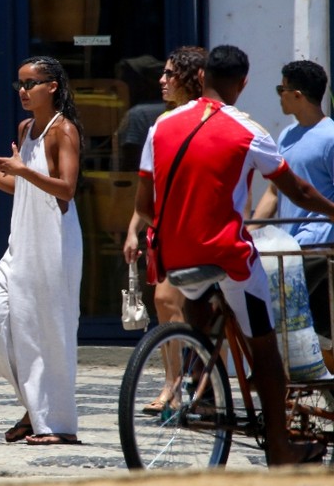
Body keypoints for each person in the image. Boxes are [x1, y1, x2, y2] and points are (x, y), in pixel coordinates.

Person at [135, 44, 332, 465]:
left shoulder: (161, 126)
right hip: (228, 256)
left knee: (203, 322)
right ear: (243, 83)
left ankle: (205, 394)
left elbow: (146, 205)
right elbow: (296, 191)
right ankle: (281, 447)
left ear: (202, 76)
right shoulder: (249, 130)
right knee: (265, 349)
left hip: (176, 257)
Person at [0, 56, 83, 446]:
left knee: (50, 334)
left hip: (54, 244)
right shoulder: (27, 128)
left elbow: (66, 189)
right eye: (19, 85)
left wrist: (21, 170)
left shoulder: (64, 132)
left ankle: (56, 425)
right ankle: (34, 406)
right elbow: (19, 186)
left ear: (52, 87)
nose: (23, 92)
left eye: (31, 84)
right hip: (21, 241)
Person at [122, 45, 207, 415]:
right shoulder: (159, 125)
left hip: (202, 231)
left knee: (194, 310)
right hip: (167, 230)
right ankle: (173, 382)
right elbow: (152, 188)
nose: (162, 80)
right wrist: (133, 230)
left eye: (170, 74)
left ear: (192, 78)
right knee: (164, 302)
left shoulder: (210, 120)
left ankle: (196, 385)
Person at [251, 60, 333, 340]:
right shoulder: (286, 135)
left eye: (281, 89)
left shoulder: (330, 137)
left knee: (284, 314)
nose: (279, 96)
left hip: (318, 248)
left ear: (297, 95)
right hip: (287, 247)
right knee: (311, 325)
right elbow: (274, 191)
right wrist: (249, 230)